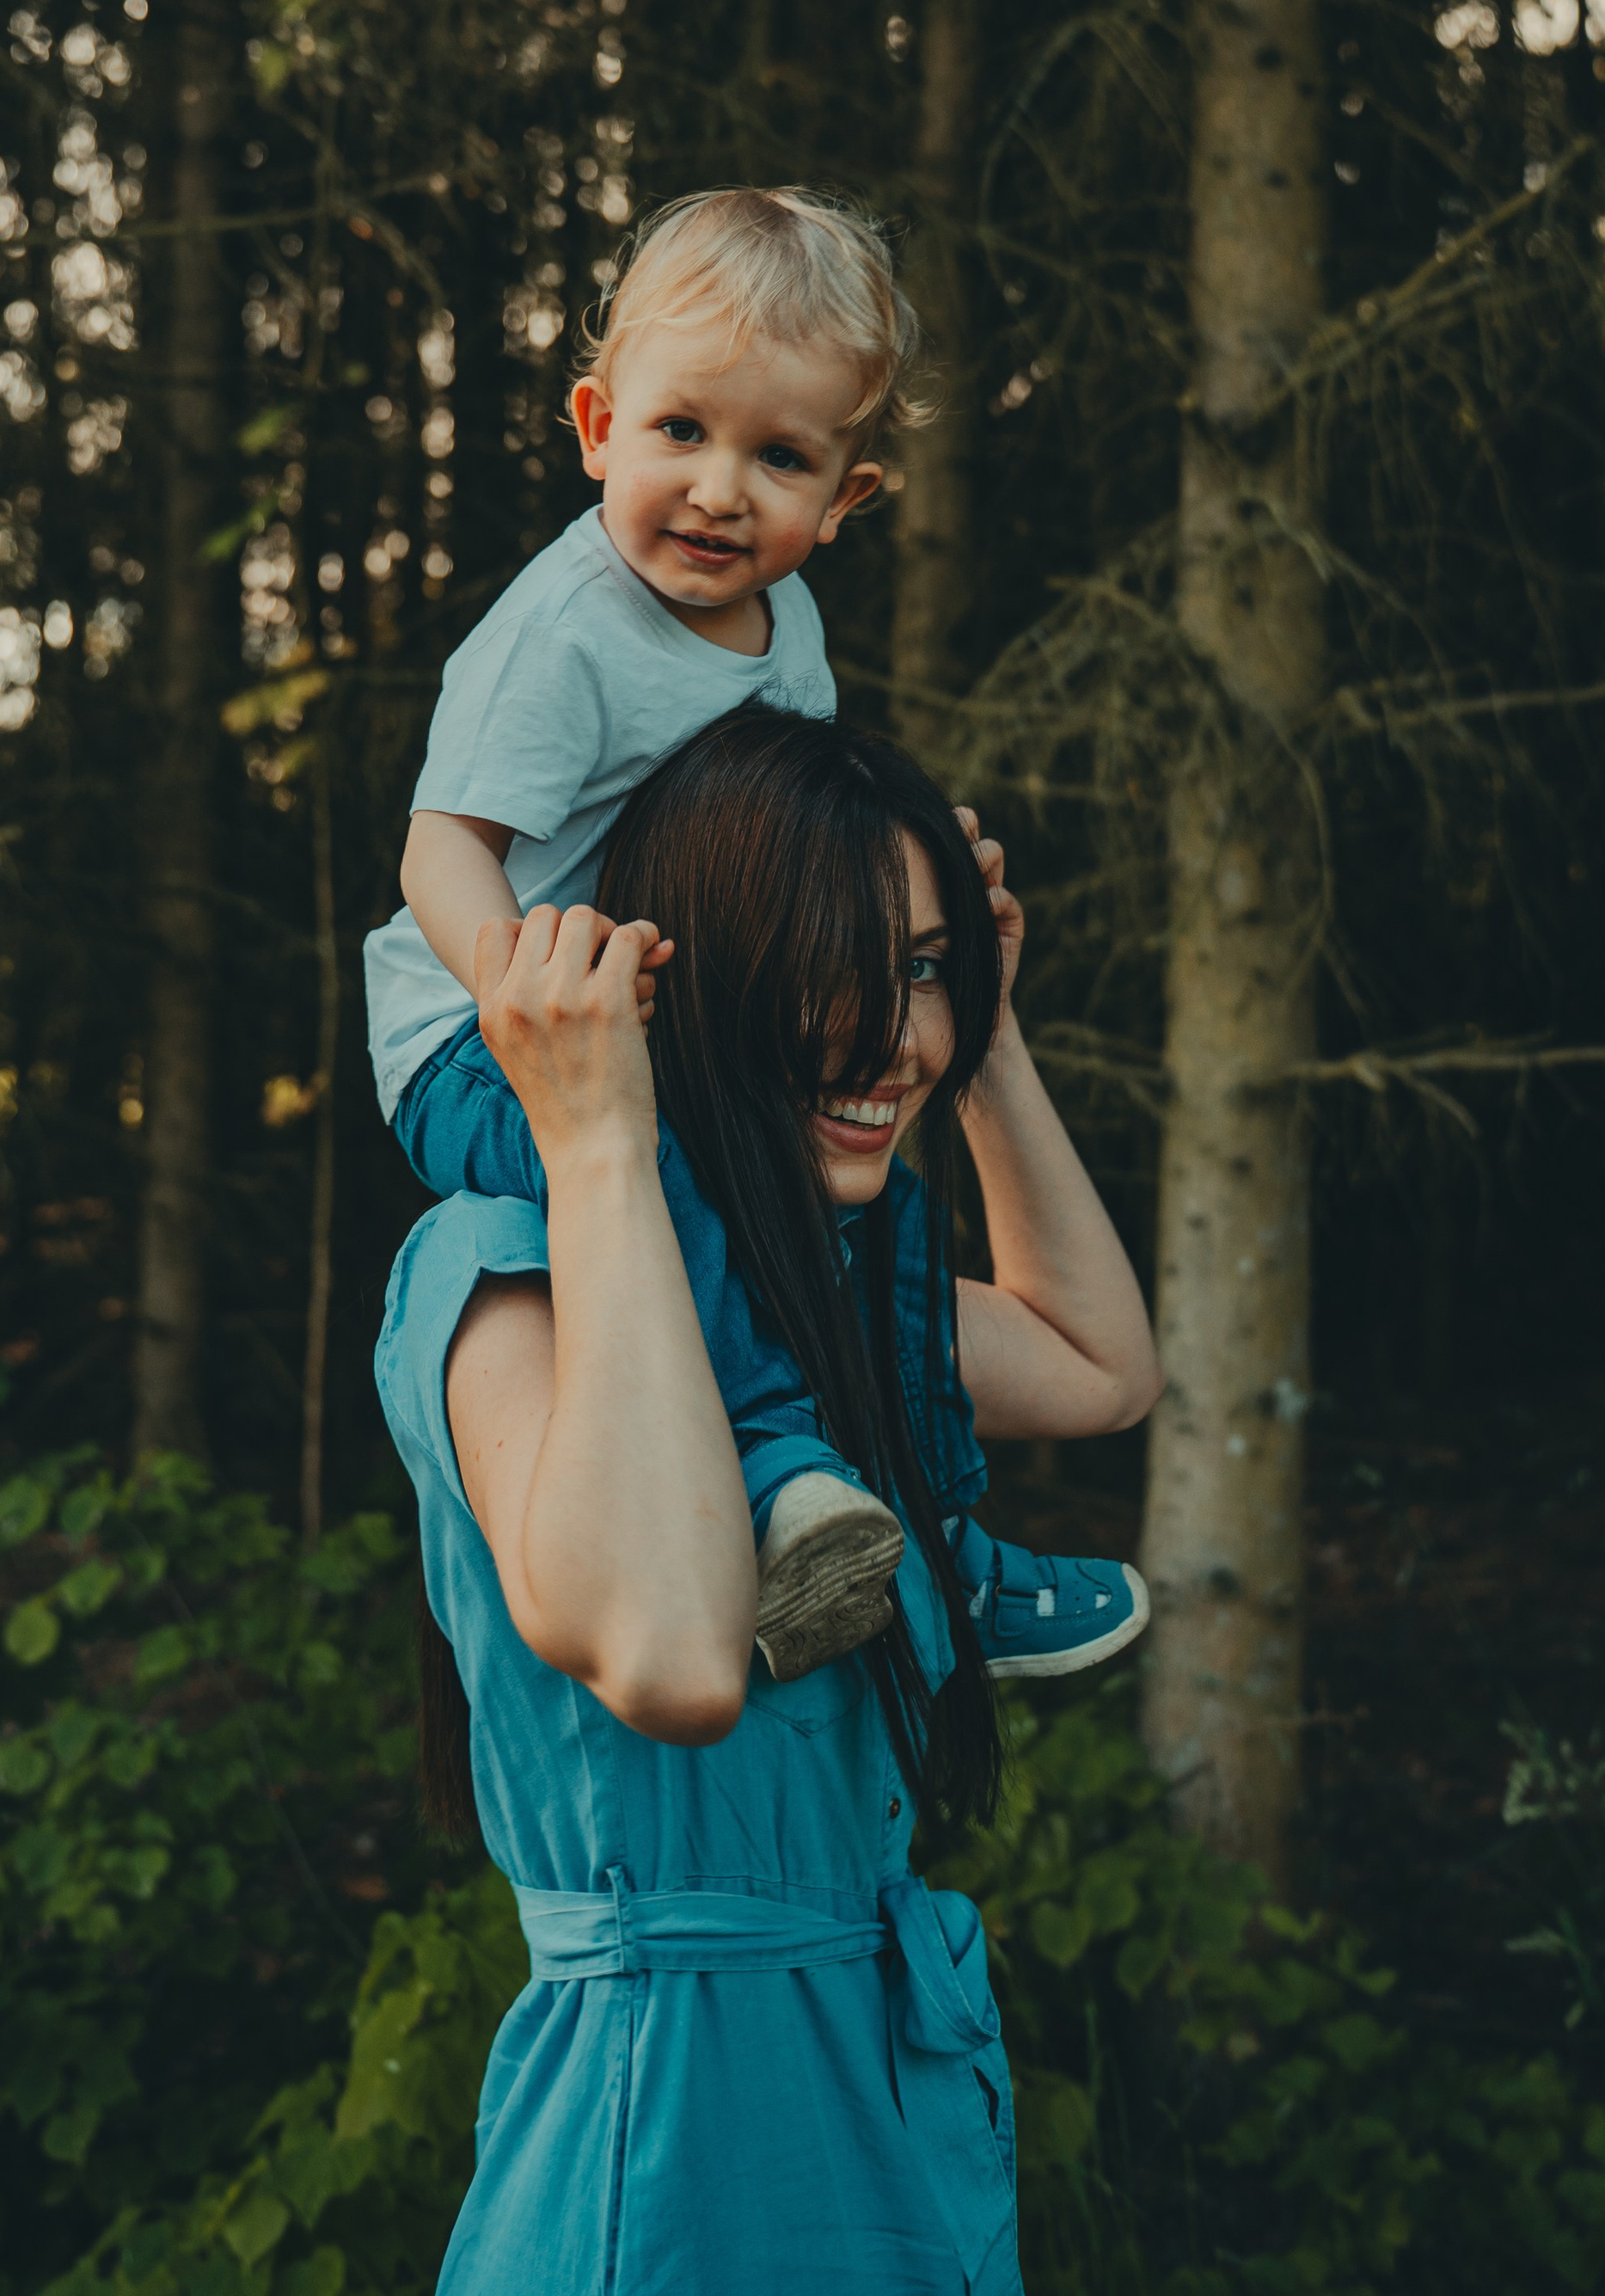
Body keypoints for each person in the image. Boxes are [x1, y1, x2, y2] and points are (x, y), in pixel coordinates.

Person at [374, 709, 1162, 2295]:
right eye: (835, 968)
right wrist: (600, 1132)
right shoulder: (502, 1271)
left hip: (892, 2123)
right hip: (671, 2155)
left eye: (924, 965)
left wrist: (988, 1038)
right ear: (687, 976)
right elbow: (671, 1655)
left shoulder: (820, 1280)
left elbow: (1097, 1365)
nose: (895, 1036)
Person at [364, 185, 1145, 1681]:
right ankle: (784, 1479)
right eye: (680, 434)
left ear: (844, 499)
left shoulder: (788, 644)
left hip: (663, 1043)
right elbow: (440, 848)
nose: (720, 490)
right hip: (482, 1042)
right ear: (596, 425)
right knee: (682, 1175)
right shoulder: (567, 630)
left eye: (777, 457)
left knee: (883, 1221)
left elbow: (779, 879)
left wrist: (937, 972)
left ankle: (934, 1539)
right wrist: (528, 1004)